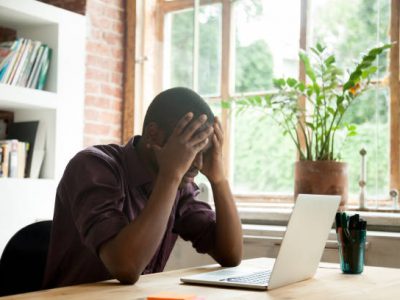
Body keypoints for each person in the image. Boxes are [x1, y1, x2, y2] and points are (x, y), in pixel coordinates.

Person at [43, 87, 243, 288]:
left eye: (203, 150)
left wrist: (219, 179)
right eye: (188, 147)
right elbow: (126, 267)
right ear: (152, 135)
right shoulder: (93, 166)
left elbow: (230, 255)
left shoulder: (179, 184)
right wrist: (170, 176)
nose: (198, 163)